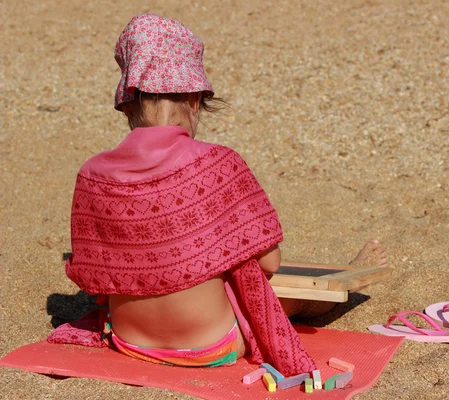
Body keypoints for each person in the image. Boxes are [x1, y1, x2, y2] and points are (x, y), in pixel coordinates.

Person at [56, 14, 387, 372]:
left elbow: (93, 271)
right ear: (195, 100)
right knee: (285, 294)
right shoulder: (217, 163)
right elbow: (270, 263)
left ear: (127, 104)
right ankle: (345, 281)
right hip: (211, 346)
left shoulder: (92, 174)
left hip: (128, 340)